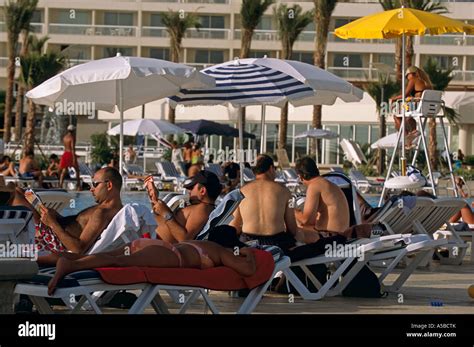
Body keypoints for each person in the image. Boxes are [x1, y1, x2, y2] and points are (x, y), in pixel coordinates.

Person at [46, 239, 257, 295]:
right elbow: (248, 270)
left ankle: (42, 260)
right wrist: (250, 253)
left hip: (152, 245)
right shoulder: (219, 251)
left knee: (99, 256)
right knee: (118, 263)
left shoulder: (203, 243)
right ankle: (69, 267)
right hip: (170, 256)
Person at [11, 167, 124, 256]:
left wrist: (52, 223)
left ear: (109, 185)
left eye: (95, 184)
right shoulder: (112, 210)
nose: (91, 189)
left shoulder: (101, 213)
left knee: (15, 194)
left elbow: (78, 249)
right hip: (55, 230)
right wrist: (58, 217)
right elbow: (77, 226)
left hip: (51, 240)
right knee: (21, 192)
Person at [149, 170, 222, 242]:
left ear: (202, 191)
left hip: (153, 243)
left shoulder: (202, 209)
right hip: (149, 237)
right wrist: (154, 199)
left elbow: (185, 239)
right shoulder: (202, 208)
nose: (189, 192)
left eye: (192, 188)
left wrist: (166, 214)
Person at [294, 156, 350, 236]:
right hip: (341, 234)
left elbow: (306, 220)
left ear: (300, 176)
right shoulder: (326, 184)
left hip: (330, 236)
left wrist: (292, 211)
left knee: (292, 232)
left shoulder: (314, 186)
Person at [390, 66, 433, 137]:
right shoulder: (427, 83)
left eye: (407, 76)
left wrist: (393, 99)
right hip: (428, 108)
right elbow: (420, 95)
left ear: (411, 74)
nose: (407, 78)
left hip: (419, 106)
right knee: (406, 113)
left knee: (396, 115)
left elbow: (405, 95)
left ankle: (406, 136)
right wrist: (412, 98)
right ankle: (413, 131)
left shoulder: (413, 79)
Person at [59, 125, 81, 189]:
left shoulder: (65, 137)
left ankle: (60, 184)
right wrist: (74, 158)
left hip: (65, 153)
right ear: (73, 131)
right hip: (70, 154)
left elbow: (65, 147)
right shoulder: (72, 137)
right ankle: (78, 185)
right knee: (77, 170)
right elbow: (72, 148)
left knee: (64, 170)